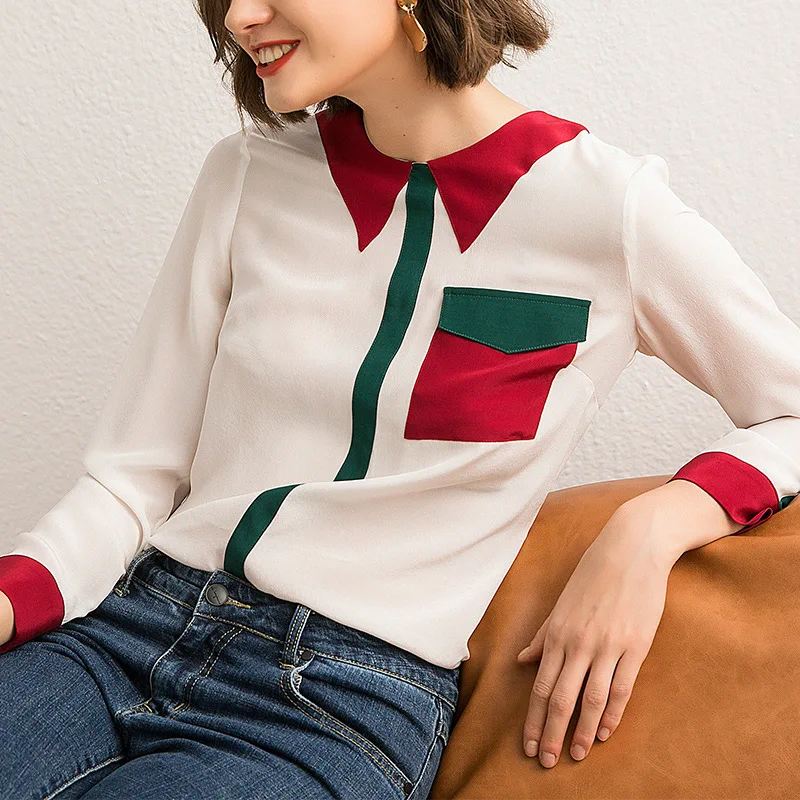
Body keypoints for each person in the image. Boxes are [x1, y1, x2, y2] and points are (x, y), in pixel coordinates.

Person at [2, 0, 800, 796]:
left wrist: (650, 528)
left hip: (333, 704)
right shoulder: (247, 175)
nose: (240, 17)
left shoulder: (606, 208)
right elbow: (130, 479)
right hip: (126, 629)